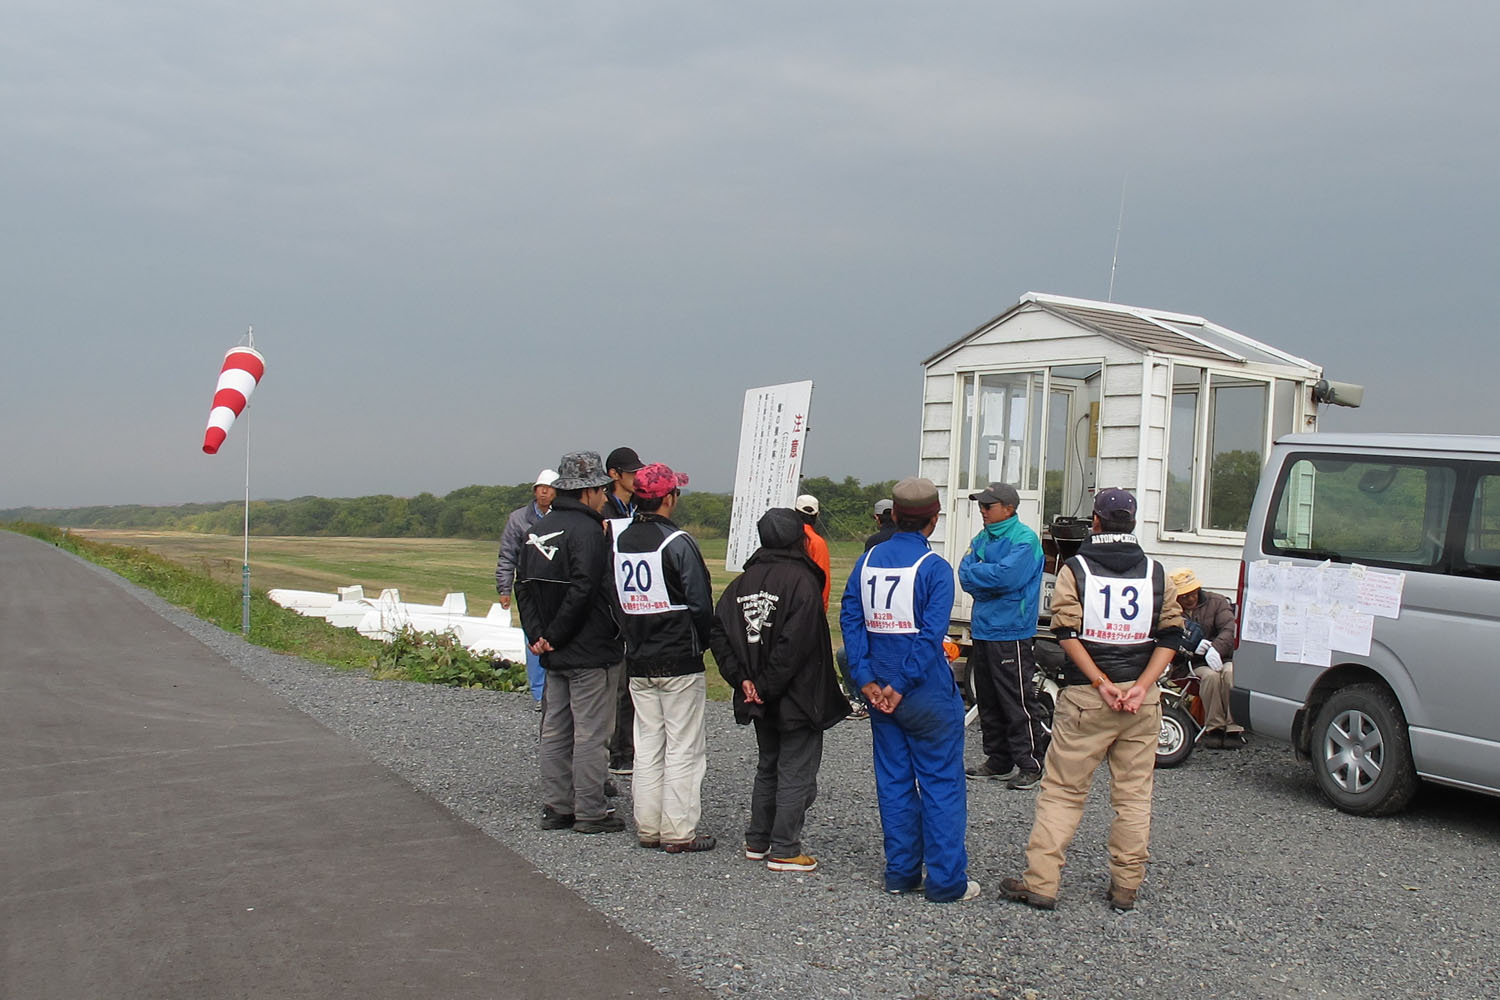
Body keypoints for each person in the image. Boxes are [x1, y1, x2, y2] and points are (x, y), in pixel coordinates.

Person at [1001, 487, 1183, 912]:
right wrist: (1141, 686)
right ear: (1133, 523)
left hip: (1087, 696)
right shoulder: (1157, 572)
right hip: (1141, 700)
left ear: (1096, 522)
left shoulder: (1076, 568)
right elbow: (1172, 635)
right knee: (1134, 796)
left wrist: (1101, 682)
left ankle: (1042, 883)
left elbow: (1066, 632)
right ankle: (1126, 886)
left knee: (1063, 792)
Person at [840, 477, 978, 903]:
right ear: (934, 519)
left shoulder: (867, 561)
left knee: (894, 781)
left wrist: (866, 679)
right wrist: (900, 684)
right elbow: (931, 635)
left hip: (878, 689)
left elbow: (850, 619)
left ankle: (900, 873)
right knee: (941, 782)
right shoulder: (935, 568)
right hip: (924, 690)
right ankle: (946, 882)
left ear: (894, 515)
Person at [711, 508, 850, 873]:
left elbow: (718, 632)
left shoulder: (741, 583)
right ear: (799, 538)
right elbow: (795, 644)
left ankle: (758, 840)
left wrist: (743, 680)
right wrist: (763, 684)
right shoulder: (803, 582)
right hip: (796, 695)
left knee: (768, 766)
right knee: (795, 770)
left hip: (759, 696)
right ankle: (785, 848)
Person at [514, 450, 625, 835]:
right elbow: (584, 588)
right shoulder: (589, 532)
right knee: (591, 733)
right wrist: (556, 634)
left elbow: (523, 586)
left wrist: (539, 635)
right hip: (589, 648)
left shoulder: (537, 530)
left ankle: (558, 806)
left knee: (555, 730)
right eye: (601, 490)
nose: (604, 496)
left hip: (551, 651)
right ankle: (591, 811)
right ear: (588, 491)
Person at [609, 462, 717, 853]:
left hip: (637, 657)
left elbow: (613, 598)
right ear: (669, 497)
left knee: (648, 744)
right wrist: (703, 642)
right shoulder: (678, 542)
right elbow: (700, 602)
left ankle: (648, 826)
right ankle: (678, 831)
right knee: (684, 746)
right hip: (678, 657)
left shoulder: (619, 541)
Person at [958, 483, 1048, 789]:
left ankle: (1030, 764)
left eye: (988, 506)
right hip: (984, 628)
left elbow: (1007, 578)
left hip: (1012, 630)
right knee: (988, 699)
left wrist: (985, 576)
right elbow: (964, 574)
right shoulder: (982, 538)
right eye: (981, 506)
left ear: (1008, 508)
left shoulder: (1025, 539)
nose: (982, 511)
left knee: (1016, 699)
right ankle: (998, 760)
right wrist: (989, 577)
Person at [495, 468, 558, 710]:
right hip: (529, 586)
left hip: (556, 586)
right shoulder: (518, 519)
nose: (543, 493)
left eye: (548, 489)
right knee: (532, 637)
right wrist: (504, 589)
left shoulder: (562, 518)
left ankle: (556, 692)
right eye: (540, 488)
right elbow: (507, 555)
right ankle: (538, 694)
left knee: (557, 636)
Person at [1168, 567, 1245, 749]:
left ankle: (1234, 728)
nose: (1190, 599)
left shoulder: (1217, 601)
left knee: (1231, 674)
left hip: (1224, 657)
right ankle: (1214, 727)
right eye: (1184, 596)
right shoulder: (1170, 610)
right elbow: (1168, 638)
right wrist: (1192, 647)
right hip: (1191, 663)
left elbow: (1230, 628)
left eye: (1193, 593)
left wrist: (1216, 649)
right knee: (1210, 677)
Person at [604, 446, 645, 775]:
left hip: (636, 602)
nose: (636, 477)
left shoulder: (639, 507)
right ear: (614, 474)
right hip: (609, 605)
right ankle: (617, 752)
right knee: (616, 684)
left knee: (631, 680)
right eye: (630, 472)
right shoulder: (603, 509)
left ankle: (627, 747)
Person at [794, 494, 832, 611]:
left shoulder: (784, 537)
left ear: (795, 512)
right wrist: (822, 608)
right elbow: (823, 579)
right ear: (817, 515)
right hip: (807, 603)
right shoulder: (817, 542)